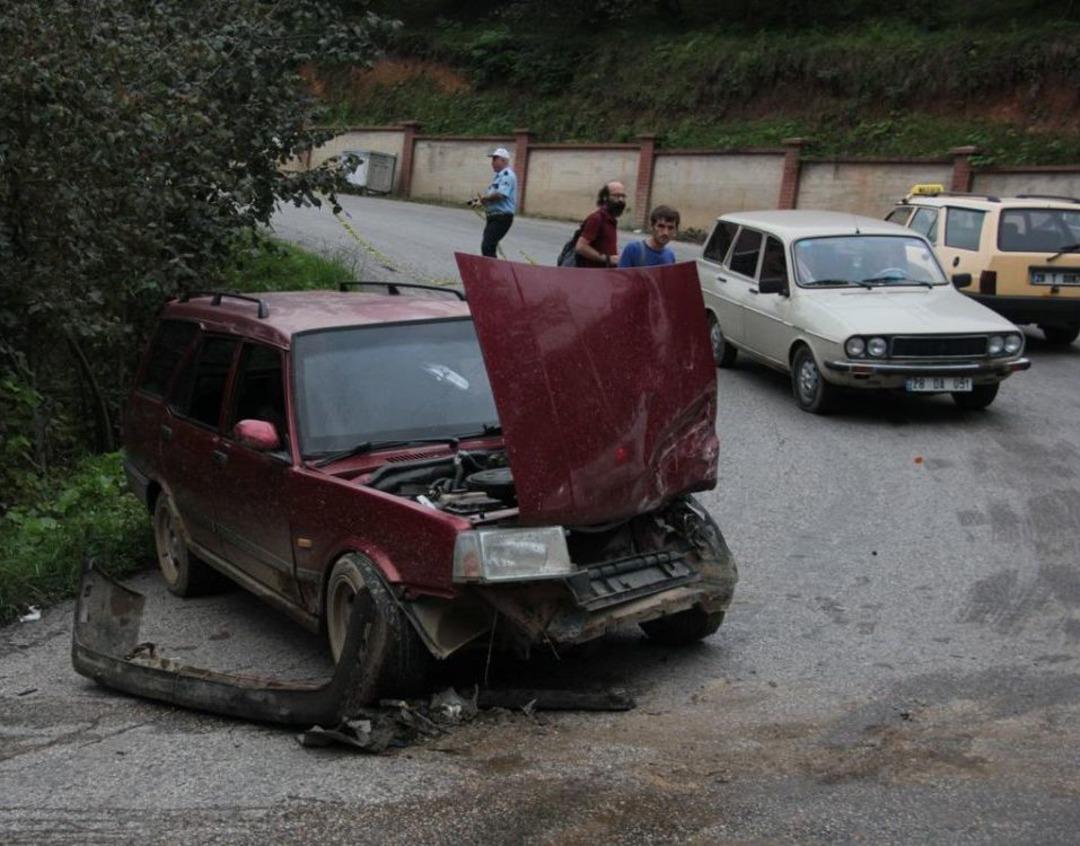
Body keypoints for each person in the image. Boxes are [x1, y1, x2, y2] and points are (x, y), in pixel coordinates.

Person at [574, 181, 626, 267]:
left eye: (623, 196)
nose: (621, 200)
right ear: (605, 197)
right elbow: (581, 247)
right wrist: (607, 259)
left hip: (605, 273)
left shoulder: (610, 219)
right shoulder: (596, 218)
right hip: (593, 274)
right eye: (616, 196)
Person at [478, 147, 517, 258]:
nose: (492, 163)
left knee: (487, 246)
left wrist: (485, 199)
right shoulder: (499, 176)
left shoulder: (507, 175)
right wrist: (478, 202)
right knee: (488, 246)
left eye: (495, 159)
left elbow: (500, 194)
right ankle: (492, 272)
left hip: (502, 217)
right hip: (494, 217)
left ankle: (494, 273)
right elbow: (492, 196)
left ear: (504, 160)